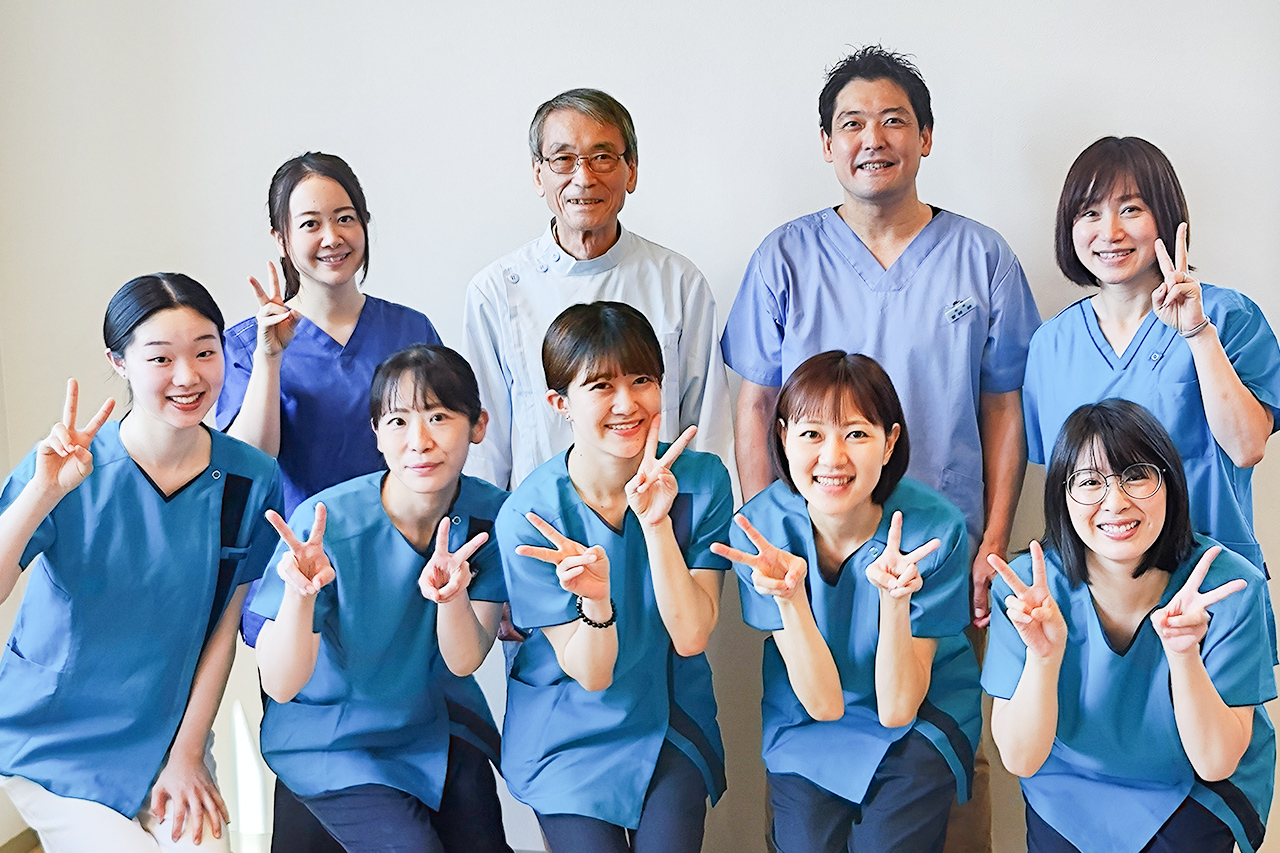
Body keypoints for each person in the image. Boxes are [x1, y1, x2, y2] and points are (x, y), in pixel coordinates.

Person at [719, 44, 1039, 851]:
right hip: (811, 556)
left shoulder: (982, 257)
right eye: (853, 123)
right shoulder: (785, 257)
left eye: (894, 120)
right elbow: (754, 404)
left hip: (941, 553)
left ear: (925, 137)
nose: (873, 138)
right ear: (827, 143)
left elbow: (1004, 408)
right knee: (809, 742)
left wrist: (993, 541)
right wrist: (762, 534)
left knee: (944, 751)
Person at [0, 274, 282, 852]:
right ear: (119, 363)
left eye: (205, 352)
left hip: (167, 736)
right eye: (160, 358)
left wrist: (187, 753)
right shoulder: (69, 465)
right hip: (52, 737)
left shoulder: (250, 479)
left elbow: (223, 628)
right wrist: (42, 494)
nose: (188, 376)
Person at [215, 152, 441, 851]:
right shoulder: (247, 344)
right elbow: (249, 464)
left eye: (345, 218)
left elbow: (440, 451)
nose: (331, 236)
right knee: (312, 787)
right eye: (310, 222)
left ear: (365, 224)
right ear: (281, 238)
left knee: (411, 781)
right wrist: (272, 356)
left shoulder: (409, 330)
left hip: (399, 584)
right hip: (298, 582)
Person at [711, 351, 980, 853]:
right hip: (807, 721)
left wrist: (895, 603)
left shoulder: (934, 529)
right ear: (783, 437)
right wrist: (790, 599)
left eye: (856, 433)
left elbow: (898, 709)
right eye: (812, 434)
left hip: (919, 719)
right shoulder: (760, 532)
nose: (833, 458)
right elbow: (823, 704)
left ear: (889, 442)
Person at [250, 345, 511, 853]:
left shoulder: (490, 517)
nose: (419, 441)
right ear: (376, 433)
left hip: (428, 721)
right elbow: (280, 685)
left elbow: (463, 662)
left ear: (478, 425)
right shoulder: (326, 524)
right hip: (333, 736)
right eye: (397, 421)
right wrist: (301, 597)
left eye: (439, 417)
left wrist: (452, 598)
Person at [984, 399, 1275, 853]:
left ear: (1170, 484)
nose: (1116, 502)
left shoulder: (1229, 587)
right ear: (1062, 495)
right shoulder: (1025, 592)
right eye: (1089, 481)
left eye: (1137, 475)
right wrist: (1043, 658)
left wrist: (1184, 656)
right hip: (1067, 784)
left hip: (1194, 786)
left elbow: (1216, 762)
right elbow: (1021, 758)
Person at [496, 302, 731, 853]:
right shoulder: (530, 515)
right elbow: (591, 673)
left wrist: (657, 525)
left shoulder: (701, 481)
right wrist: (598, 603)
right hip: (566, 730)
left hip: (669, 718)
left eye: (642, 380)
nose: (628, 404)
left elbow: (692, 636)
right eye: (601, 386)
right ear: (560, 403)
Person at [1023, 136, 1280, 573]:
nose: (1110, 232)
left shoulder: (1226, 316)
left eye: (1131, 209)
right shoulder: (1051, 344)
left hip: (1210, 576)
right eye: (1090, 213)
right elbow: (1068, 488)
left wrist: (1197, 333)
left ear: (1165, 215)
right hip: (1098, 589)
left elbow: (1247, 447)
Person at [462, 88, 734, 492]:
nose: (584, 178)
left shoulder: (678, 282)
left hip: (657, 516)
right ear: (538, 174)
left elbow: (709, 430)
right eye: (563, 159)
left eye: (602, 157)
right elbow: (485, 446)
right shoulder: (496, 291)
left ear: (631, 171)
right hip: (541, 519)